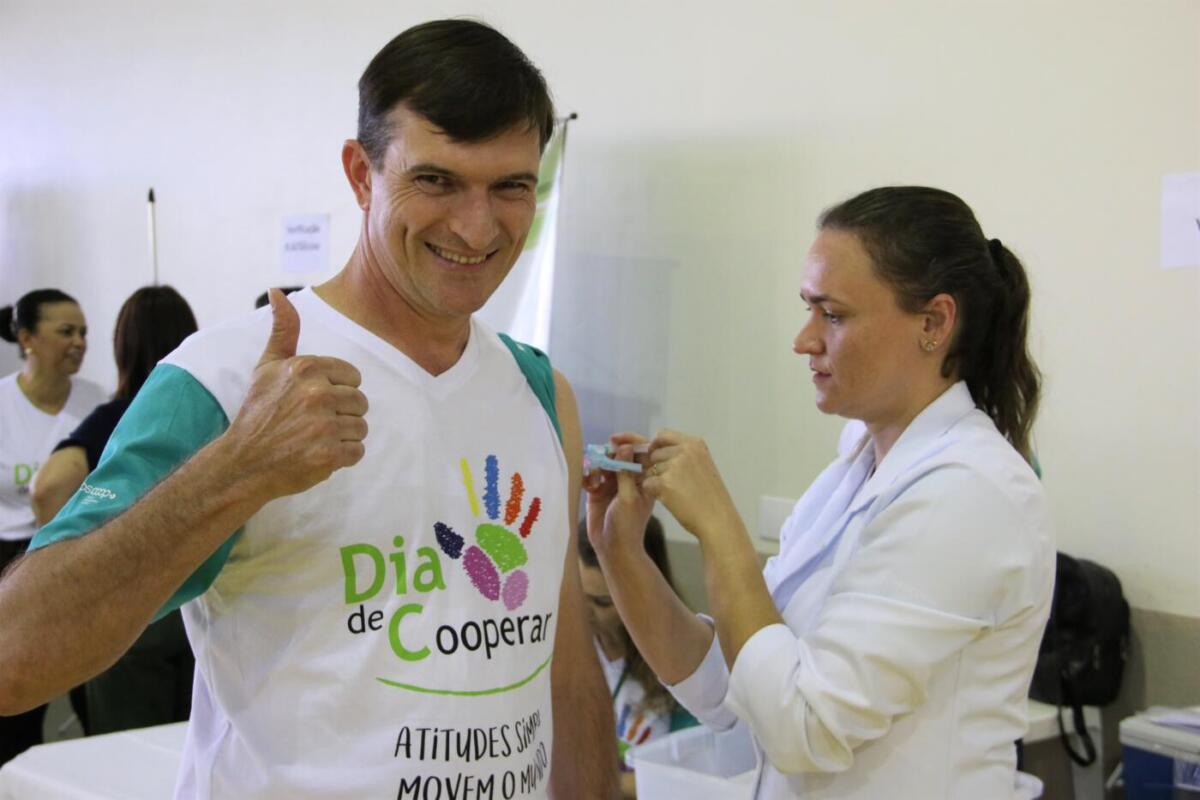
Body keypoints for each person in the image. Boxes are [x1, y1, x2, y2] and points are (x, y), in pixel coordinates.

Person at [0, 19, 616, 800]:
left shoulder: (541, 392)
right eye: (436, 180)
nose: (475, 225)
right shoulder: (225, 380)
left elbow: (562, 667)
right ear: (361, 174)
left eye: (511, 187)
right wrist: (237, 470)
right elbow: (14, 657)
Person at [587, 186, 1054, 799]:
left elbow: (805, 728)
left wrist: (719, 528)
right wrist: (621, 551)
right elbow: (730, 688)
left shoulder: (970, 492)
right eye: (809, 309)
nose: (804, 339)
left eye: (832, 315)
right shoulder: (855, 468)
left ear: (934, 323)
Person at [31, 285, 199, 735]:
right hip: (204, 601)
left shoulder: (121, 416)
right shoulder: (215, 412)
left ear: (122, 346)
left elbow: (48, 488)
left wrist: (75, 570)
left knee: (127, 750)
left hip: (134, 609)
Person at [0, 288, 105, 764]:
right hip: (11, 561)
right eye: (66, 332)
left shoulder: (96, 402)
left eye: (83, 332)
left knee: (90, 690)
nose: (79, 342)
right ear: (27, 339)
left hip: (75, 557)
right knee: (16, 706)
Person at [576, 516, 697, 796]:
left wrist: (596, 787)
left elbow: (688, 778)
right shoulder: (567, 643)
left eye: (602, 602)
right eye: (577, 595)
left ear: (642, 590)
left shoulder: (684, 662)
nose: (584, 612)